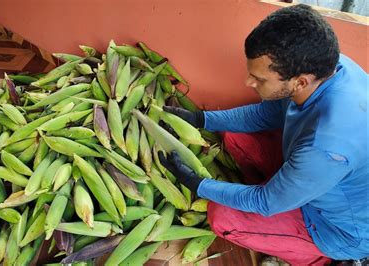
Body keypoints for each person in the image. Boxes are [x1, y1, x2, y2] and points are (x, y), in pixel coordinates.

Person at [158, 4, 368, 265]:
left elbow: (264, 202)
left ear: (299, 81)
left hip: (335, 228)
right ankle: (288, 192)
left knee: (222, 217)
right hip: (315, 177)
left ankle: (318, 259)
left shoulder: (326, 146)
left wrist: (198, 184)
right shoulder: (324, 67)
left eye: (259, 79)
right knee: (233, 136)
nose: (248, 82)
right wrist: (201, 119)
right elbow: (265, 114)